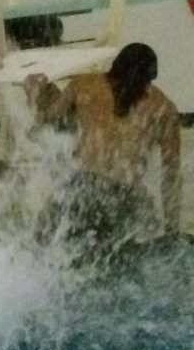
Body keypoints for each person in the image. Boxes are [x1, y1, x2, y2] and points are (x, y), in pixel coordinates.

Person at [27, 41, 182, 257]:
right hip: (125, 196)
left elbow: (40, 128)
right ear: (150, 78)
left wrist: (35, 95)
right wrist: (172, 229)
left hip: (82, 187)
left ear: (114, 67)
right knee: (130, 249)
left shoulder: (83, 85)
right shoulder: (164, 107)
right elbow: (171, 173)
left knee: (41, 243)